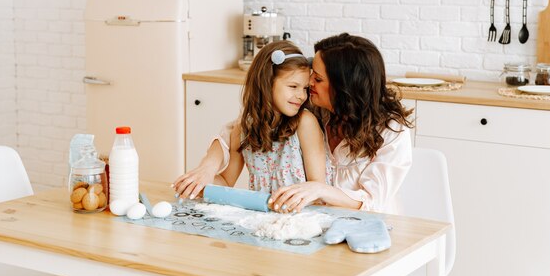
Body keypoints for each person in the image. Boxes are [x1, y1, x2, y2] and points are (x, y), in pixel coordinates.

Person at [173, 33, 413, 214]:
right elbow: (238, 130)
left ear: (345, 88)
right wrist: (207, 168)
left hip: (366, 225)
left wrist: (319, 189)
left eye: (316, 79)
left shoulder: (392, 133)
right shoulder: (312, 107)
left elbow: (373, 202)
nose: (308, 87)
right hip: (301, 221)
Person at [188, 40, 330, 194]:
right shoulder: (244, 127)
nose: (302, 96)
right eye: (293, 86)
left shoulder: (305, 123)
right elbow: (226, 181)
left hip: (302, 214)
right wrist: (197, 184)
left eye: (305, 89)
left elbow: (317, 186)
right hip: (263, 215)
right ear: (266, 83)